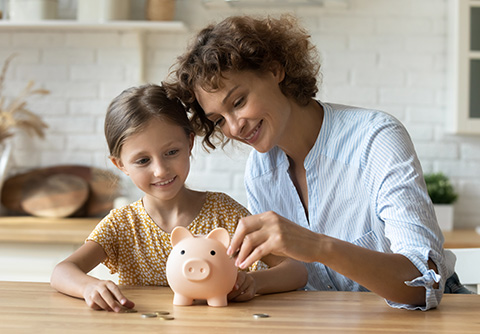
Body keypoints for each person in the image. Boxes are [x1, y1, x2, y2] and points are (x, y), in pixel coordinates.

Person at [163, 14, 463, 311]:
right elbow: (300, 271)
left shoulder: (375, 139)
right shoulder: (260, 169)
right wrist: (252, 282)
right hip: (339, 319)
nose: (234, 127)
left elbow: (425, 286)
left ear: (274, 70)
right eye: (219, 120)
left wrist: (317, 246)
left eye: (238, 102)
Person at [50, 84, 307, 312]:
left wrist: (254, 282)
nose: (160, 170)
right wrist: (90, 287)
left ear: (190, 143)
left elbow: (296, 270)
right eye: (142, 161)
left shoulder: (224, 213)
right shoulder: (122, 225)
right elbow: (62, 271)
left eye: (172, 152)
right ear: (120, 165)